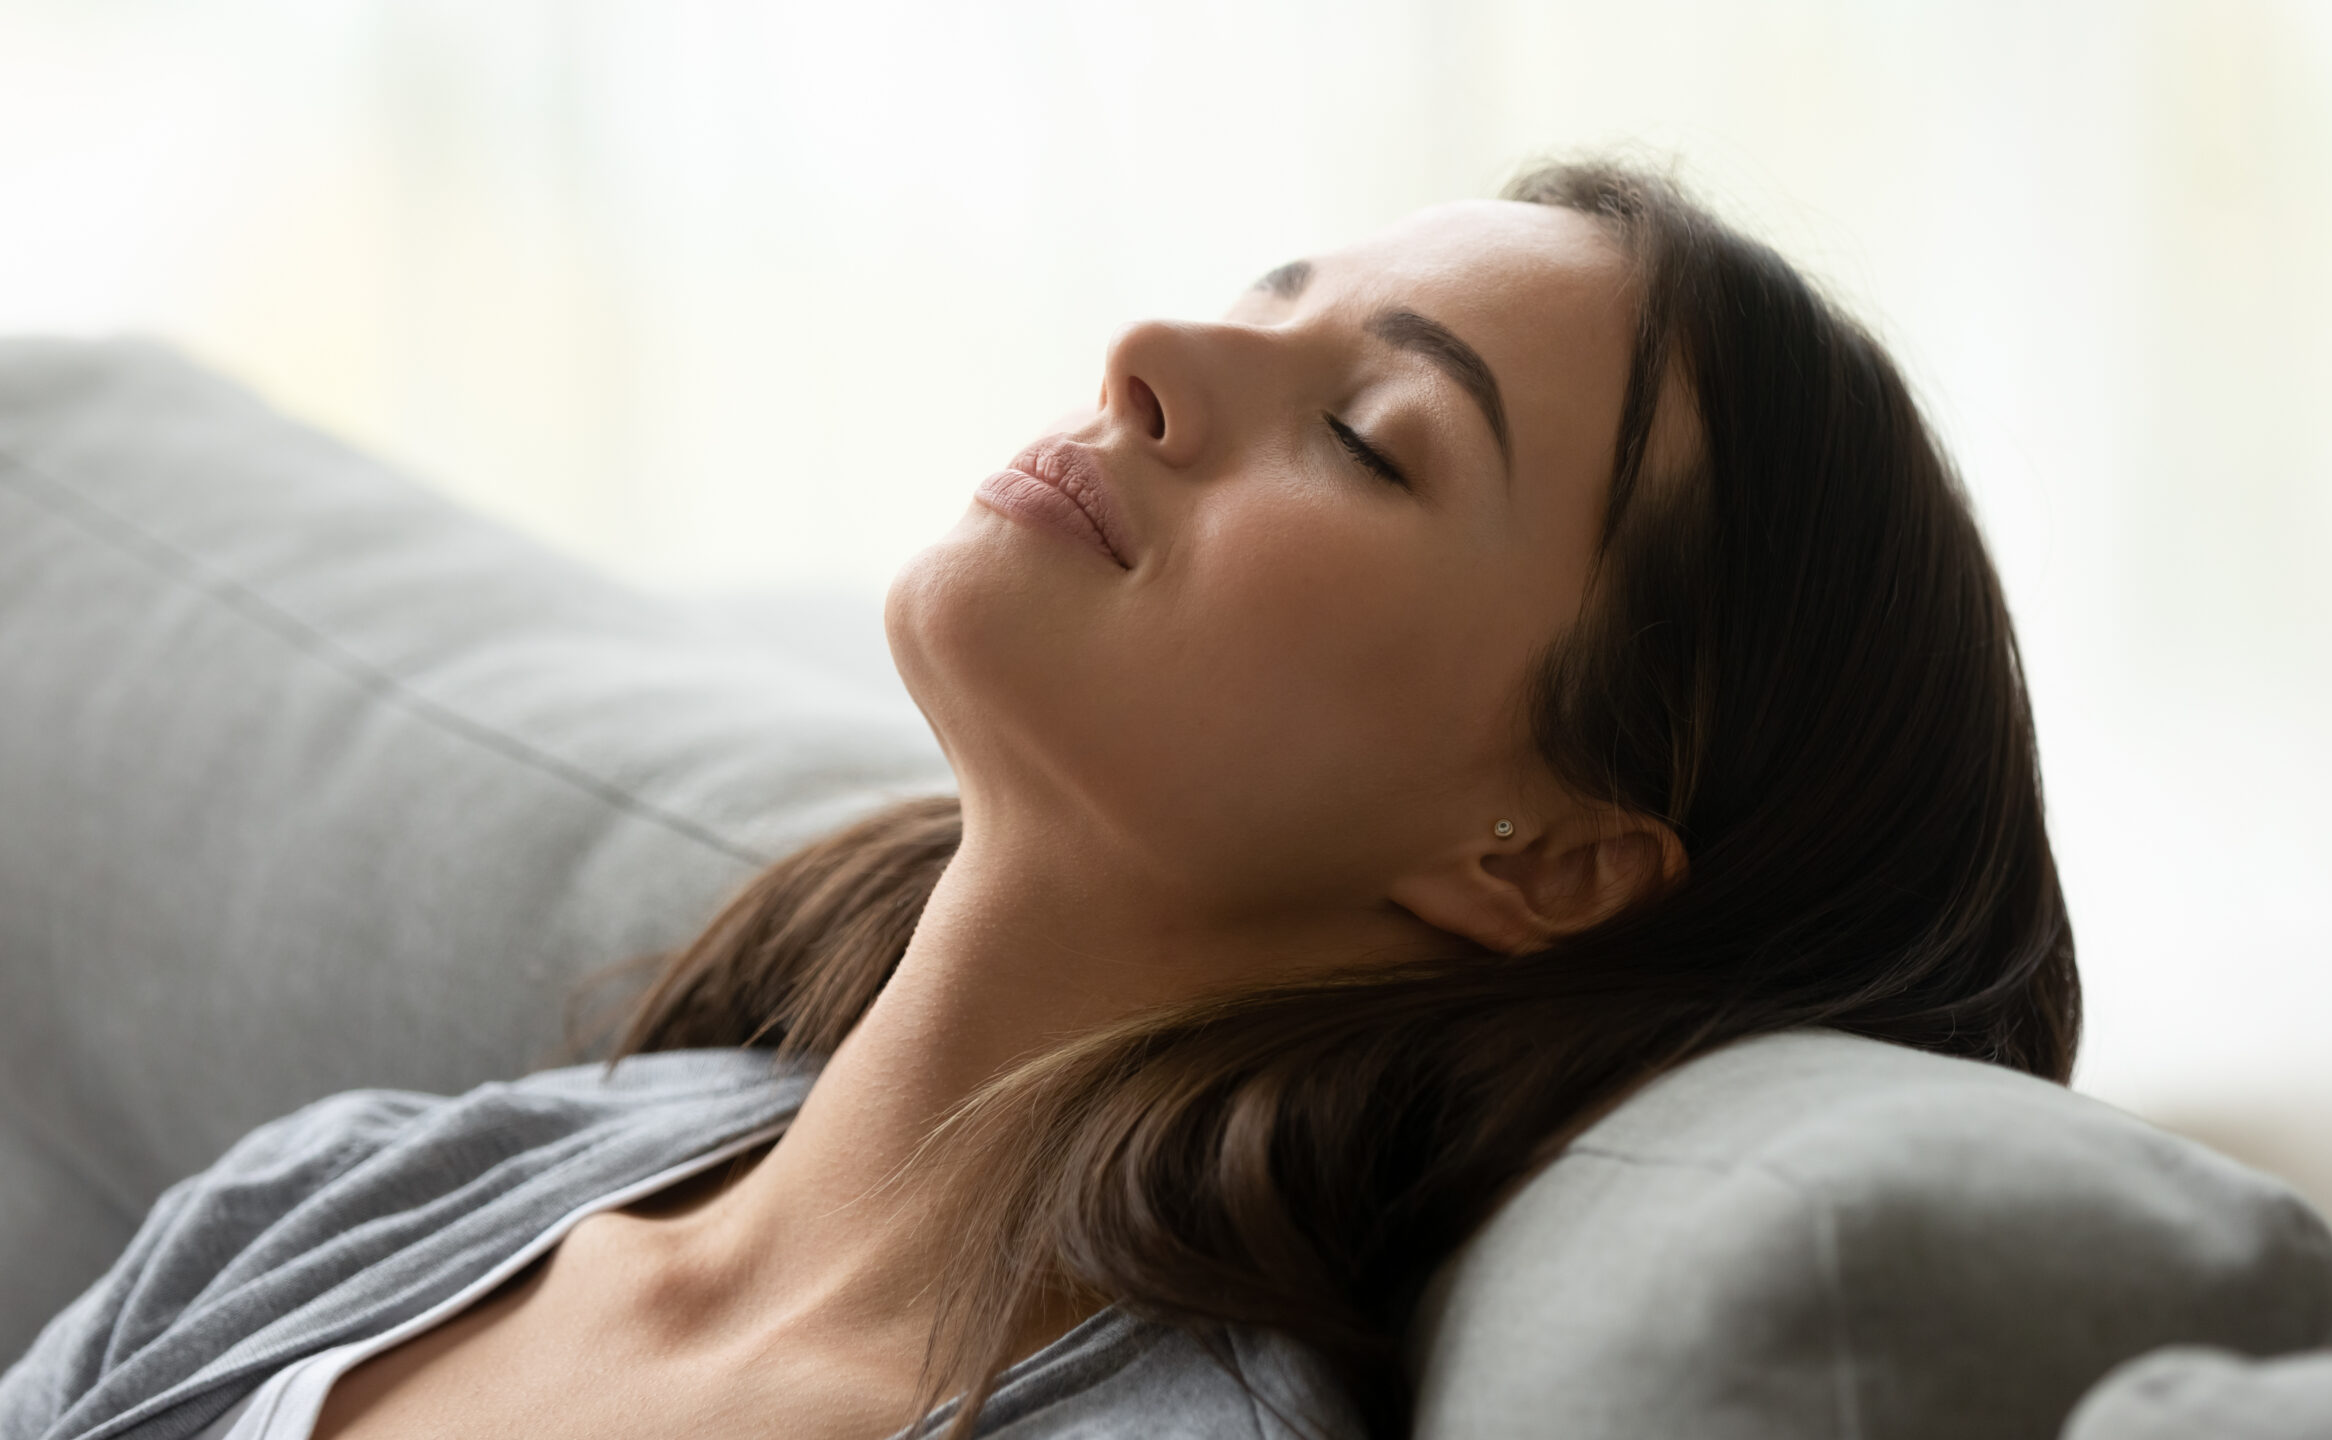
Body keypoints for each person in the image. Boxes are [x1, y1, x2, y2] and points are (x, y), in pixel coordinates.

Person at [0, 161, 2076, 1440]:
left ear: (1537, 856)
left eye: (1366, 435)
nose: (1151, 349)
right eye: (1266, 293)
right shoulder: (391, 1194)